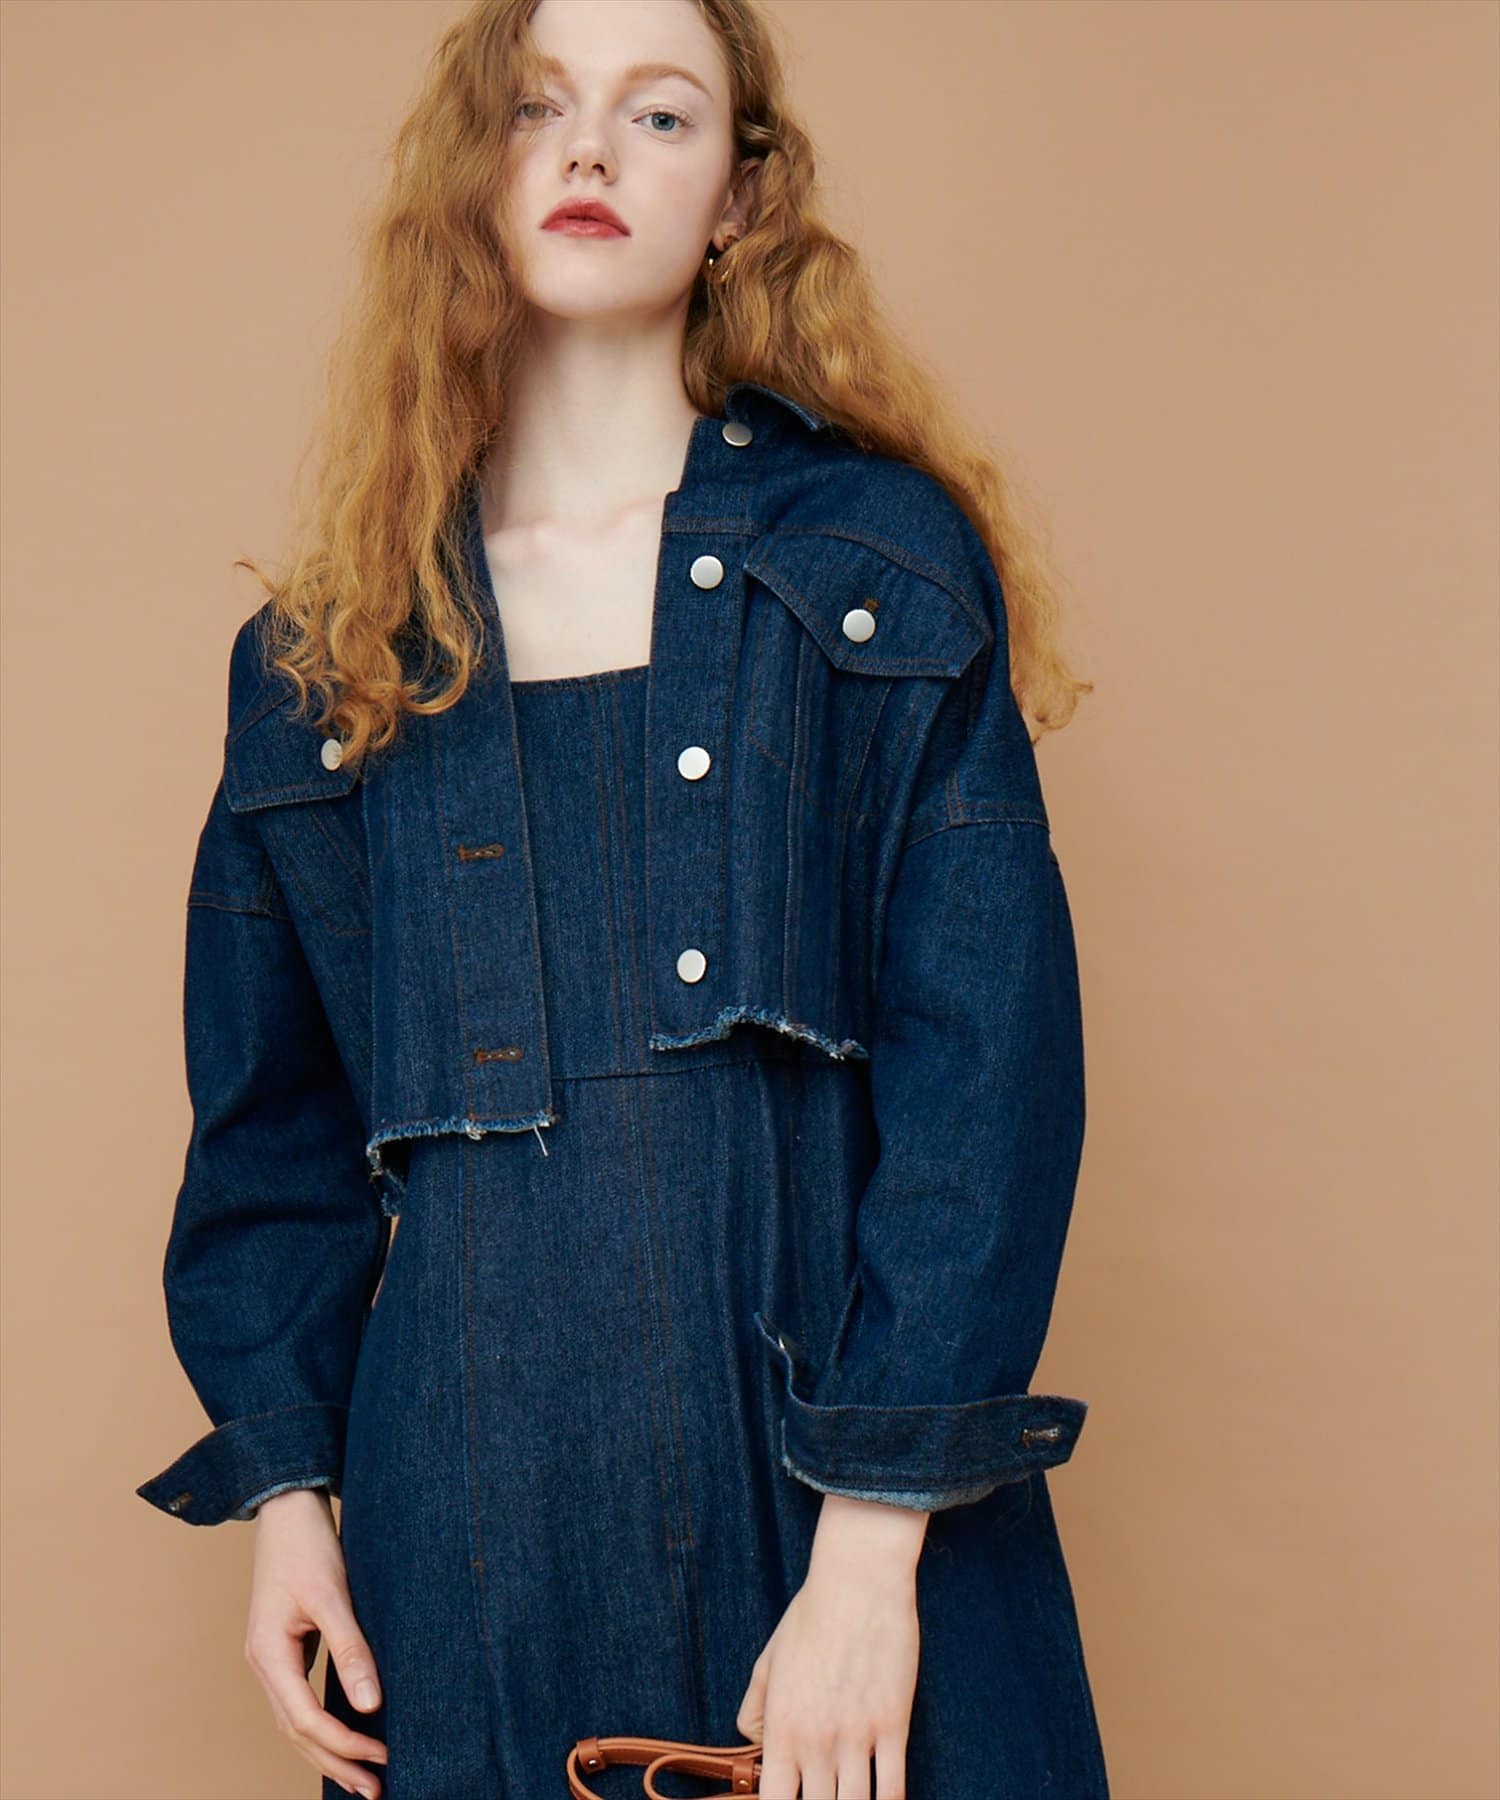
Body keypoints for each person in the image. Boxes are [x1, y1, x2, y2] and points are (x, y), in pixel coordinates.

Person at [135, 1, 1109, 1796]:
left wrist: (871, 1557)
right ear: (472, 171)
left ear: (738, 197)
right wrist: (288, 1498)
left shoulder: (873, 571)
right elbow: (268, 1132)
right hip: (464, 1546)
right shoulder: (325, 663)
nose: (589, 150)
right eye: (537, 109)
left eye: (660, 116)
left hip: (829, 1521)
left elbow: (989, 1084)